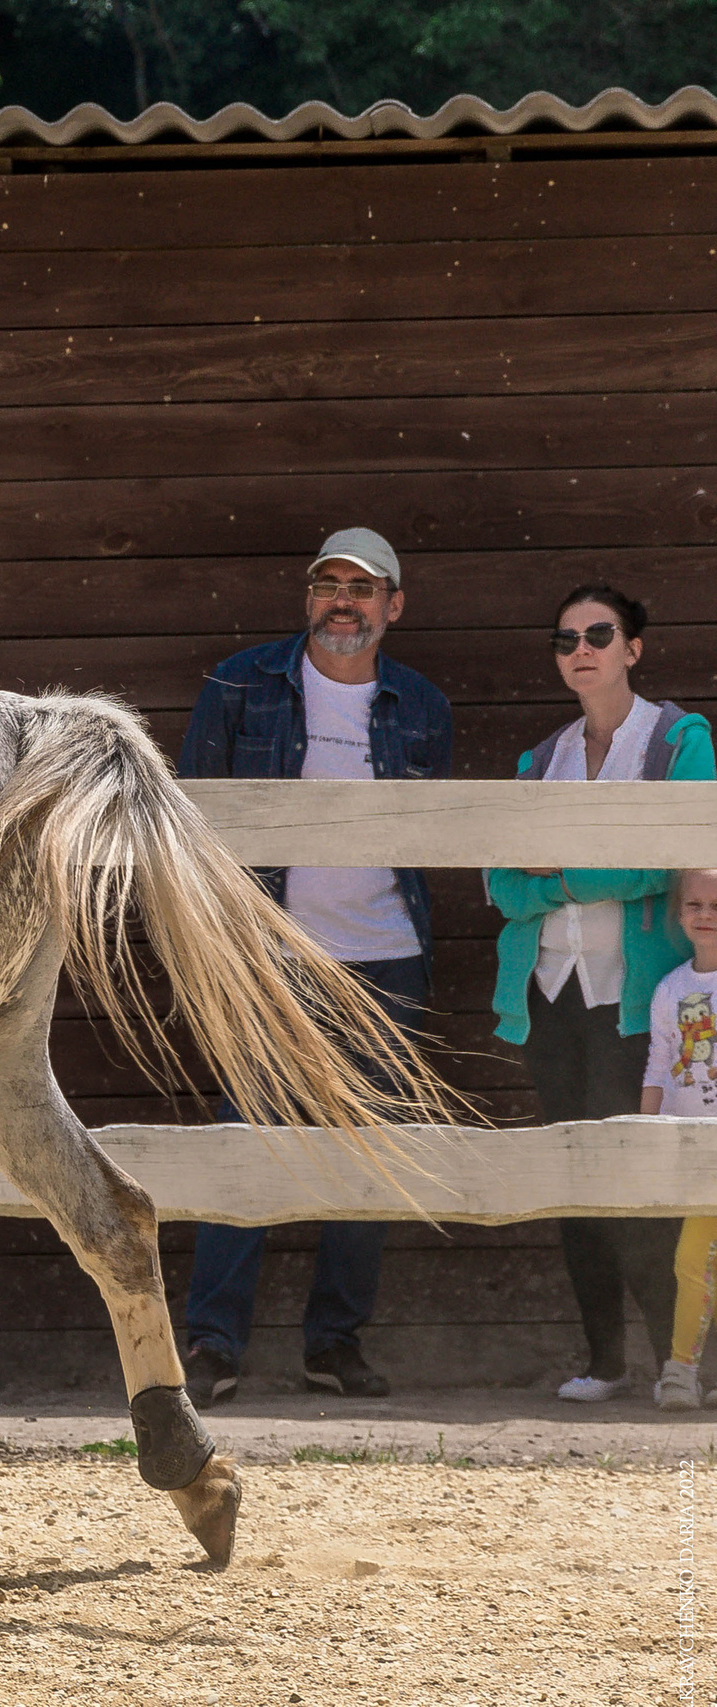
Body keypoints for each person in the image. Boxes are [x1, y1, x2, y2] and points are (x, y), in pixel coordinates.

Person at [178, 526, 451, 1407]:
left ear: (393, 605)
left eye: (363, 588)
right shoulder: (241, 683)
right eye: (328, 584)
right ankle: (212, 1348)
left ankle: (335, 1343)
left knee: (369, 1154)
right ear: (307, 600)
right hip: (269, 960)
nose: (344, 601)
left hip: (386, 960)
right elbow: (194, 817)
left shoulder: (422, 703)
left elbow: (430, 836)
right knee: (244, 1144)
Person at [486, 585, 712, 1402]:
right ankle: (606, 1361)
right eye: (565, 639)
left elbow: (667, 858)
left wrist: (562, 870)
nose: (580, 648)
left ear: (633, 648)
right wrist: (580, 879)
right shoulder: (537, 760)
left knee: (639, 1179)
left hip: (639, 998)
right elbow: (504, 886)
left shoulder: (680, 739)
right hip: (550, 991)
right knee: (571, 1172)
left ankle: (677, 1362)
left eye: (598, 634)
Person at [644, 868, 717, 1410]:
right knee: (692, 1262)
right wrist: (646, 1134)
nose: (706, 914)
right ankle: (681, 1373)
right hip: (694, 1151)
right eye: (694, 904)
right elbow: (659, 1065)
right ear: (679, 914)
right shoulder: (671, 988)